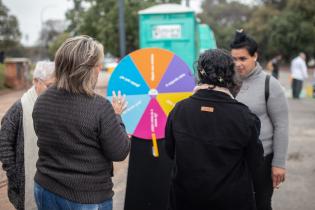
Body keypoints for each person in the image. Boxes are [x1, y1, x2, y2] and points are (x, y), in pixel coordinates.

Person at [32, 35, 130, 210]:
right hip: (87, 198)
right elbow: (119, 151)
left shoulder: (42, 99)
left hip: (45, 188)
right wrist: (116, 116)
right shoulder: (100, 107)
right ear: (87, 70)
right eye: (97, 65)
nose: (99, 70)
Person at [165, 49, 264, 210]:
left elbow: (169, 151)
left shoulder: (179, 110)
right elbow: (256, 162)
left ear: (200, 73)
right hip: (230, 200)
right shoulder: (244, 117)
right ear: (230, 75)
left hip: (185, 199)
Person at [230, 30, 289, 210]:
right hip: (232, 159)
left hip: (261, 160)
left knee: (260, 205)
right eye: (234, 59)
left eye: (243, 59)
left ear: (255, 56)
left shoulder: (269, 84)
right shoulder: (226, 82)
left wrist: (278, 163)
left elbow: (282, 126)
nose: (238, 64)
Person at [0, 61, 55, 210]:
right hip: (25, 183)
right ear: (35, 81)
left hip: (52, 182)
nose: (53, 90)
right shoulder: (20, 108)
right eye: (49, 86)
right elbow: (3, 141)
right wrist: (14, 173)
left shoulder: (54, 105)